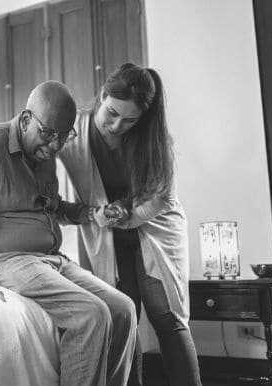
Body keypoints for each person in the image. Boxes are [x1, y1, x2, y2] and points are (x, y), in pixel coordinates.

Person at [0, 80, 137, 386]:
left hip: (48, 258)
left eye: (63, 137)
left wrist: (89, 213)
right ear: (26, 120)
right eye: (48, 134)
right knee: (91, 315)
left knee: (123, 309)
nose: (54, 145)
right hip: (1, 259)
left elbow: (51, 207)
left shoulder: (44, 153)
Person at [58, 63, 201, 386]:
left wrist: (126, 215)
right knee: (124, 316)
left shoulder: (152, 138)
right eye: (112, 113)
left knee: (167, 315)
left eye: (130, 120)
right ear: (102, 95)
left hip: (155, 228)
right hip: (104, 231)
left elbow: (160, 198)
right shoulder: (73, 132)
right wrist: (91, 214)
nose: (117, 125)